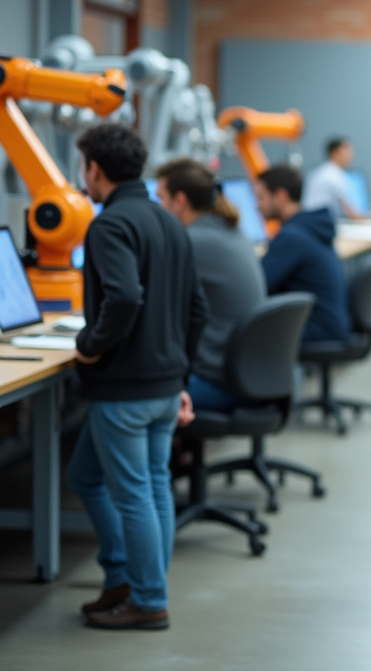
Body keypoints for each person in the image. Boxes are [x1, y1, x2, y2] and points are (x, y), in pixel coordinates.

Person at [67, 124, 207, 630]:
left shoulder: (109, 225)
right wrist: (181, 375)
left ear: (94, 169)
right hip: (165, 386)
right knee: (103, 478)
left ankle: (148, 600)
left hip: (125, 389)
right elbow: (198, 309)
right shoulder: (168, 221)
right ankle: (126, 578)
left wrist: (89, 344)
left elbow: (124, 297)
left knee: (136, 493)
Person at [155, 158, 266, 412]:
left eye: (161, 199)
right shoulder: (234, 232)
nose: (158, 207)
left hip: (218, 383)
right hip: (247, 374)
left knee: (128, 396)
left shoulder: (192, 241)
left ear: (180, 201)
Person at [254, 164, 350, 343]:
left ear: (280, 196)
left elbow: (257, 285)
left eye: (261, 198)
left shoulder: (291, 236)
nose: (256, 206)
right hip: (331, 322)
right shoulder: (309, 226)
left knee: (244, 333)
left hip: (318, 327)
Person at [301, 136, 364, 221]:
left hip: (308, 221)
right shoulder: (334, 176)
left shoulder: (317, 172)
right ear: (334, 152)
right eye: (346, 150)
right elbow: (349, 212)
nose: (351, 155)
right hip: (321, 223)